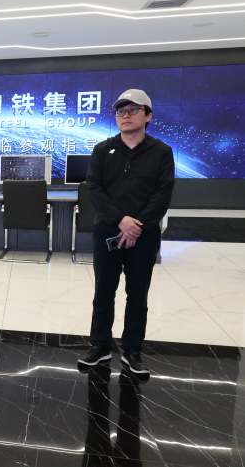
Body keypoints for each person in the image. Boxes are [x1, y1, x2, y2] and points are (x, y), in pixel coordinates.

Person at [78, 89, 175, 378]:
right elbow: (94, 188)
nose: (126, 116)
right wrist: (121, 220)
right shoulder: (103, 150)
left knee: (138, 294)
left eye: (133, 110)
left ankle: (133, 351)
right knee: (103, 291)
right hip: (108, 232)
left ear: (148, 116)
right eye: (121, 111)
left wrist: (137, 224)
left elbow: (163, 193)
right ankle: (100, 346)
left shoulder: (161, 152)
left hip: (144, 235)